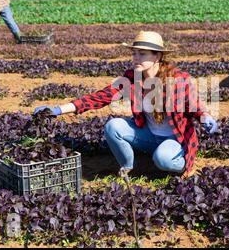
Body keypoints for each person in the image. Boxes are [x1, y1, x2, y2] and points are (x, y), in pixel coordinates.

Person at [33, 31, 218, 178]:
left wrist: (206, 117)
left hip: (174, 140)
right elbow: (102, 97)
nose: (136, 58)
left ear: (158, 56)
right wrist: (57, 110)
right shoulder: (132, 78)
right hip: (148, 135)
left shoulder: (177, 80)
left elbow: (193, 104)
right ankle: (129, 166)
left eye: (142, 54)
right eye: (134, 53)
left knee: (163, 159)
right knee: (114, 126)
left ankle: (180, 165)